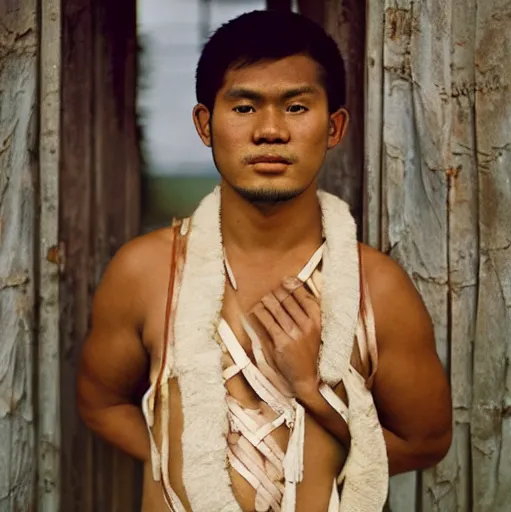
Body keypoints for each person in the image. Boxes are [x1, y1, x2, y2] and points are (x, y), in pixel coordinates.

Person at [77, 10, 452, 512]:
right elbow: (100, 403)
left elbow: (425, 442)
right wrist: (192, 463)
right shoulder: (145, 273)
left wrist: (314, 390)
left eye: (296, 107)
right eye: (245, 108)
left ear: (334, 126)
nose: (271, 131)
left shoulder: (375, 289)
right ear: (205, 124)